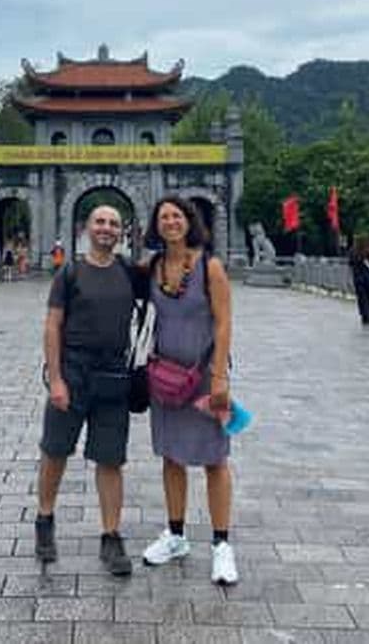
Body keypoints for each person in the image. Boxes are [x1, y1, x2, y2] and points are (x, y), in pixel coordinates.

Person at [34, 206, 137, 576]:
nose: (106, 229)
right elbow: (52, 326)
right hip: (73, 371)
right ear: (86, 228)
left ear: (121, 231)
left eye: (113, 223)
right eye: (100, 222)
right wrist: (56, 379)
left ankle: (111, 536)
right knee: (55, 450)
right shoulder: (70, 272)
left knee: (110, 459)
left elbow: (171, 283)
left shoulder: (129, 271)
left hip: (113, 373)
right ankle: (45, 518)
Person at [141, 195, 238, 586]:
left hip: (203, 376)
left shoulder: (209, 267)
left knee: (215, 458)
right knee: (171, 456)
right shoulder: (153, 268)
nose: (170, 222)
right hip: (166, 377)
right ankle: (177, 535)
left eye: (176, 215)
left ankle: (221, 544)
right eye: (163, 216)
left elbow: (224, 323)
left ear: (188, 221)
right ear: (156, 225)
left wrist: (219, 378)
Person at [348, 235, 369, 326]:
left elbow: (350, 264)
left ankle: (365, 315)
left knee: (362, 298)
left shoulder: (353, 252)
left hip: (358, 278)